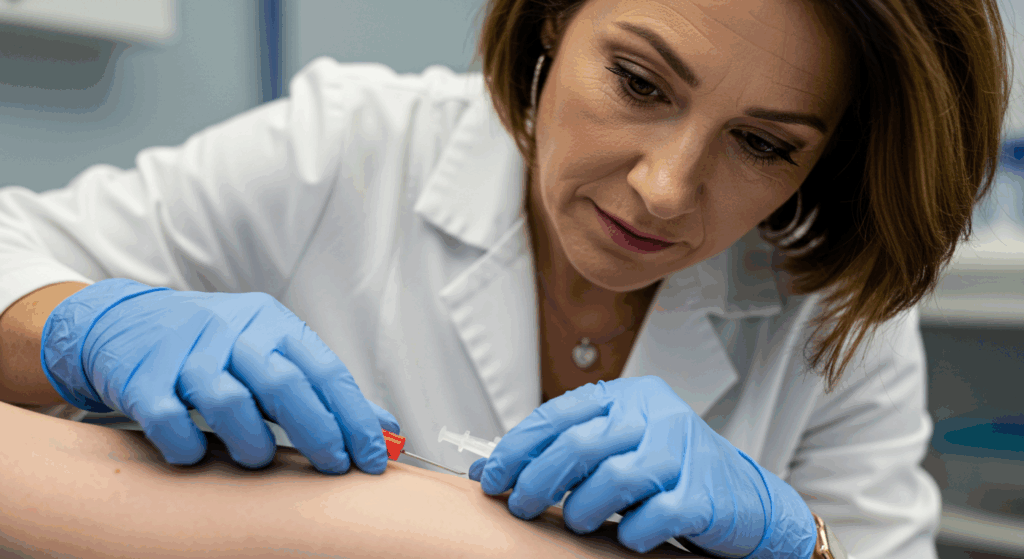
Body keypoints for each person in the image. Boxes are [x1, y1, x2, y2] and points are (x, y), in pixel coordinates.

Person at [0, 0, 1010, 557]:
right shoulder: (351, 146)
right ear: (555, 19)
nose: (664, 189)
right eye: (638, 81)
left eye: (762, 144)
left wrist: (803, 545)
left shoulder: (831, 302)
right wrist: (80, 326)